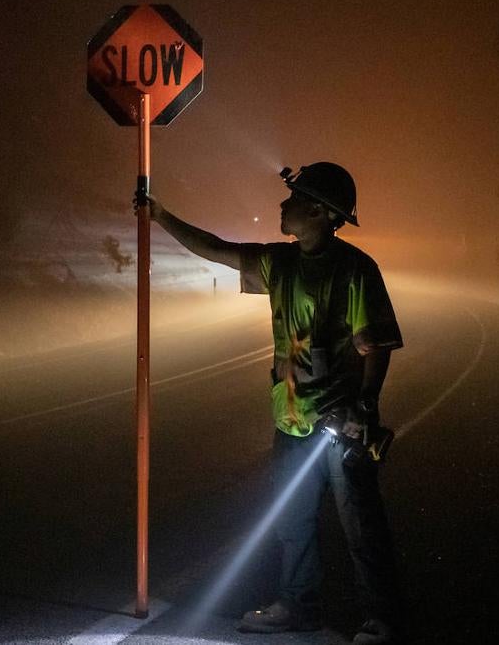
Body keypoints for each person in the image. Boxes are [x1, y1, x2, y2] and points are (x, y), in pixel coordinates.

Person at [139, 162, 405, 645]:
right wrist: (161, 216)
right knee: (292, 521)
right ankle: (299, 607)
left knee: (361, 527)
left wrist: (363, 407)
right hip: (291, 416)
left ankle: (381, 619)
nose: (283, 205)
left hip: (338, 425)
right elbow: (219, 250)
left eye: (295, 198)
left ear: (321, 213)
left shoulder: (355, 270)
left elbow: (376, 346)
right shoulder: (279, 263)